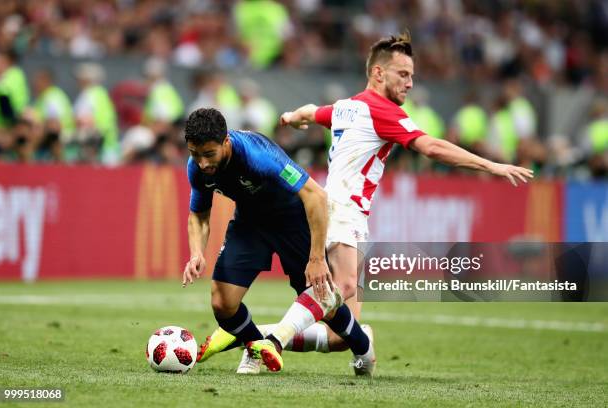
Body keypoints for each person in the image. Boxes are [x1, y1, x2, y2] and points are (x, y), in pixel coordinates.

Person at [197, 32, 533, 374]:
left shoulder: (348, 107)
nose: (410, 83)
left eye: (412, 75)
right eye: (403, 74)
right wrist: (491, 165)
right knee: (338, 289)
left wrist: (292, 116)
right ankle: (273, 341)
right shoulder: (383, 111)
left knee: (342, 332)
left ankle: (252, 336)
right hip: (344, 210)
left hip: (328, 208)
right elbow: (431, 148)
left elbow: (316, 112)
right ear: (378, 74)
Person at [181, 108, 374, 374]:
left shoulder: (256, 156)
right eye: (195, 154)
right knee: (222, 303)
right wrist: (196, 253)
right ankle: (257, 347)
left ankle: (363, 346)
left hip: (292, 220)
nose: (202, 163)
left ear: (225, 141)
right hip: (250, 222)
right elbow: (199, 214)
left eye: (208, 154)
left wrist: (316, 258)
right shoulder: (197, 167)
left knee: (323, 301)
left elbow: (316, 196)